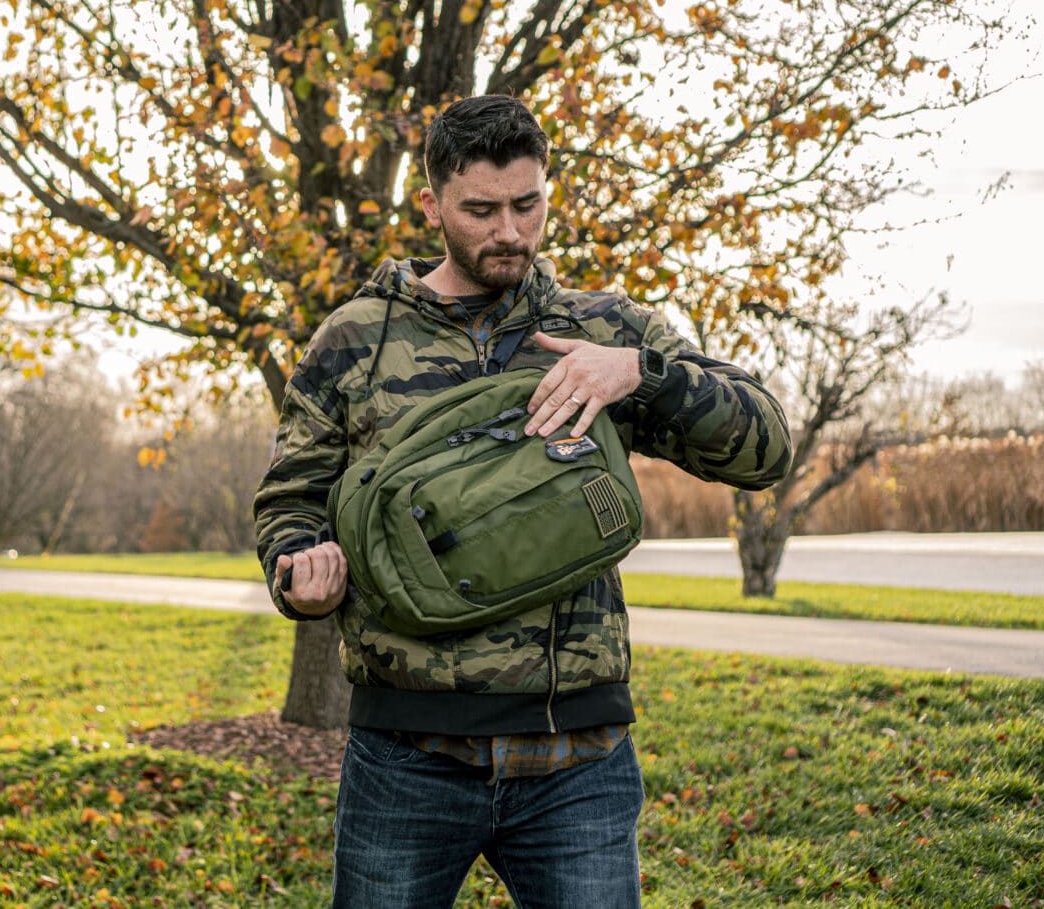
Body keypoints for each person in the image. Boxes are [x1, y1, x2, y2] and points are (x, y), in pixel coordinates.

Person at [253, 95, 792, 908]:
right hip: (407, 753)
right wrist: (300, 569)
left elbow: (766, 448)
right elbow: (291, 499)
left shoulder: (603, 326)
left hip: (577, 756)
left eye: (527, 204)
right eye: (481, 209)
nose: (509, 231)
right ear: (430, 203)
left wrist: (639, 372)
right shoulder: (355, 339)